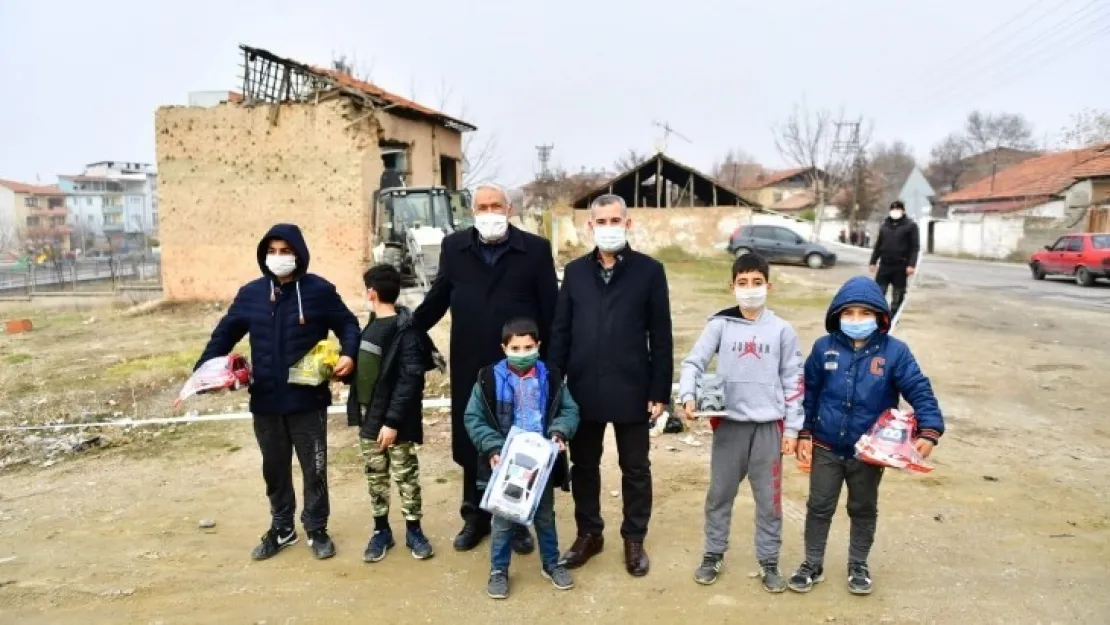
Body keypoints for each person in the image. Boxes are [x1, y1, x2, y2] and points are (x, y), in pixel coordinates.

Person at [195, 223, 360, 561]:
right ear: (263, 254)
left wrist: (349, 353)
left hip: (307, 400)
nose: (279, 257)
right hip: (265, 400)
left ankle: (316, 528)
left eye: (286, 251)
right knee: (274, 468)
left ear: (298, 253)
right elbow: (225, 333)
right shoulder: (251, 294)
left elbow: (348, 324)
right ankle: (282, 528)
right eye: (273, 250)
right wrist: (203, 371)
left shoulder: (319, 291)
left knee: (314, 468)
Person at [413, 182, 560, 553]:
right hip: (470, 360)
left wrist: (553, 365)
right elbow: (439, 297)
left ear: (508, 210)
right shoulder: (455, 247)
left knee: (521, 437)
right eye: (483, 207)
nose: (490, 213)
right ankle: (474, 517)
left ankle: (518, 519)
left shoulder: (535, 250)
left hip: (521, 364)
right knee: (473, 436)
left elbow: (552, 310)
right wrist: (406, 326)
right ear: (472, 211)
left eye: (496, 206)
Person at [788, 276, 944, 596]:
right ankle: (811, 563)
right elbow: (809, 393)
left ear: (880, 317)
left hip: (868, 452)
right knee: (819, 505)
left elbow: (920, 390)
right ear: (837, 316)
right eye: (848, 313)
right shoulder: (824, 348)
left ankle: (858, 563)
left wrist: (930, 429)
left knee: (862, 507)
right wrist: (804, 433)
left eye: (864, 313)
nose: (856, 320)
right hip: (826, 446)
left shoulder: (895, 353)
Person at [549, 193, 674, 577]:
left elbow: (661, 334)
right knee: (584, 466)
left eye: (614, 220)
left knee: (635, 467)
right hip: (583, 388)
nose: (608, 228)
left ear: (627, 223)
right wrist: (554, 386)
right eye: (600, 221)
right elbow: (561, 332)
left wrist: (660, 391)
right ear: (590, 226)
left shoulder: (649, 271)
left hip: (632, 386)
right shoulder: (574, 273)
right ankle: (589, 533)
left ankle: (634, 538)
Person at [677, 253, 804, 591]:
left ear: (768, 286)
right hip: (729, 426)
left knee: (769, 500)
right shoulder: (720, 324)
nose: (750, 290)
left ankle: (769, 561)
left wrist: (792, 429)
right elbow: (693, 362)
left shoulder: (782, 330)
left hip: (768, 429)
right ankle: (713, 553)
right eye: (743, 283)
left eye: (757, 283)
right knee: (719, 494)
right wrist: (688, 395)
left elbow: (794, 382)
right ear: (732, 286)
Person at [463, 318, 581, 600]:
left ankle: (551, 563)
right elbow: (473, 417)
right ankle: (498, 570)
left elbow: (569, 410)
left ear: (538, 346)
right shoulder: (488, 378)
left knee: (544, 516)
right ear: (504, 347)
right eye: (515, 347)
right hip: (505, 462)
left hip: (541, 463)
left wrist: (559, 432)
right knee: (503, 517)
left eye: (528, 347)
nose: (522, 352)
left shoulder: (550, 376)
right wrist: (492, 447)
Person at [346, 264, 442, 563]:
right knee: (376, 478)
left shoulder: (406, 332)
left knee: (405, 476)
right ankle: (381, 531)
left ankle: (414, 531)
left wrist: (391, 422)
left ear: (371, 292)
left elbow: (409, 381)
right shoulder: (371, 326)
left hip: (394, 423)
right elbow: (368, 372)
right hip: (368, 419)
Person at [869, 201, 920, 317]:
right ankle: (879, 316)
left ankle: (893, 317)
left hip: (900, 266)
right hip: (884, 265)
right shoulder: (885, 226)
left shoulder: (910, 226)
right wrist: (873, 261)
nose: (895, 211)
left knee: (898, 295)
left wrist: (911, 264)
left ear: (903, 211)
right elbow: (878, 245)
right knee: (878, 293)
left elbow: (914, 247)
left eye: (898, 209)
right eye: (893, 209)